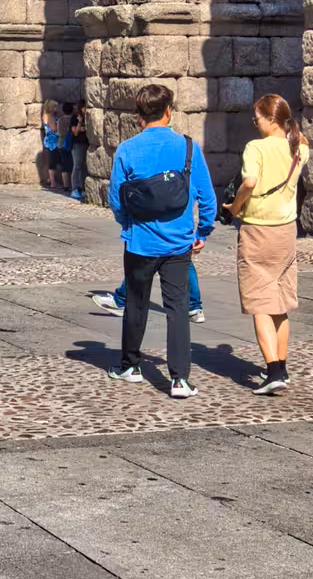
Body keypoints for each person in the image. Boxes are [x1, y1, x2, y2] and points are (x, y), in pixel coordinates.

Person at [106, 83, 216, 398]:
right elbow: (207, 196)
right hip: (179, 242)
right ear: (169, 111)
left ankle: (130, 365)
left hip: (139, 241)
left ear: (140, 115)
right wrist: (202, 232)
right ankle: (180, 379)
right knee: (178, 308)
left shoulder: (127, 149)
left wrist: (128, 225)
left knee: (136, 304)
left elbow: (116, 198)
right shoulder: (188, 147)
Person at [231, 93, 305, 396]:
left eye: (257, 118)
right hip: (287, 231)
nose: (255, 123)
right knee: (279, 301)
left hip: (258, 230)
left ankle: (273, 370)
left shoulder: (256, 147)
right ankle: (282, 366)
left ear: (269, 118)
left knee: (260, 301)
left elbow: (249, 182)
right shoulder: (299, 147)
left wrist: (234, 207)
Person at [43, 100, 69, 192]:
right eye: (55, 107)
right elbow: (54, 128)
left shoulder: (47, 115)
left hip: (51, 141)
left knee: (54, 160)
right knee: (53, 161)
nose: (56, 109)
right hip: (53, 142)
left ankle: (51, 180)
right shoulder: (49, 116)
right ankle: (53, 182)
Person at [67, 102, 89, 200]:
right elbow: (75, 132)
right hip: (77, 144)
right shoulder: (74, 118)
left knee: (84, 166)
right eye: (84, 107)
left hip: (85, 144)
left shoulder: (88, 118)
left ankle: (83, 188)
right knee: (77, 165)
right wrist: (80, 123)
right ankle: (75, 188)